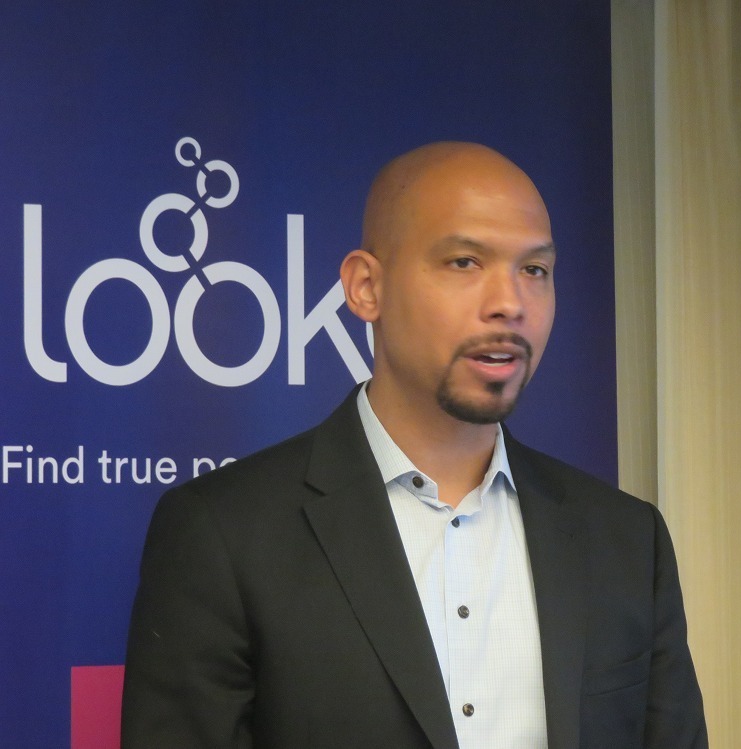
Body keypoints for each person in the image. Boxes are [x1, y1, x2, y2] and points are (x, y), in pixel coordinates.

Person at [121, 142, 707, 748]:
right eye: (464, 262)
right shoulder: (224, 533)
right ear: (365, 287)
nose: (509, 304)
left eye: (534, 270)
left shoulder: (626, 541)